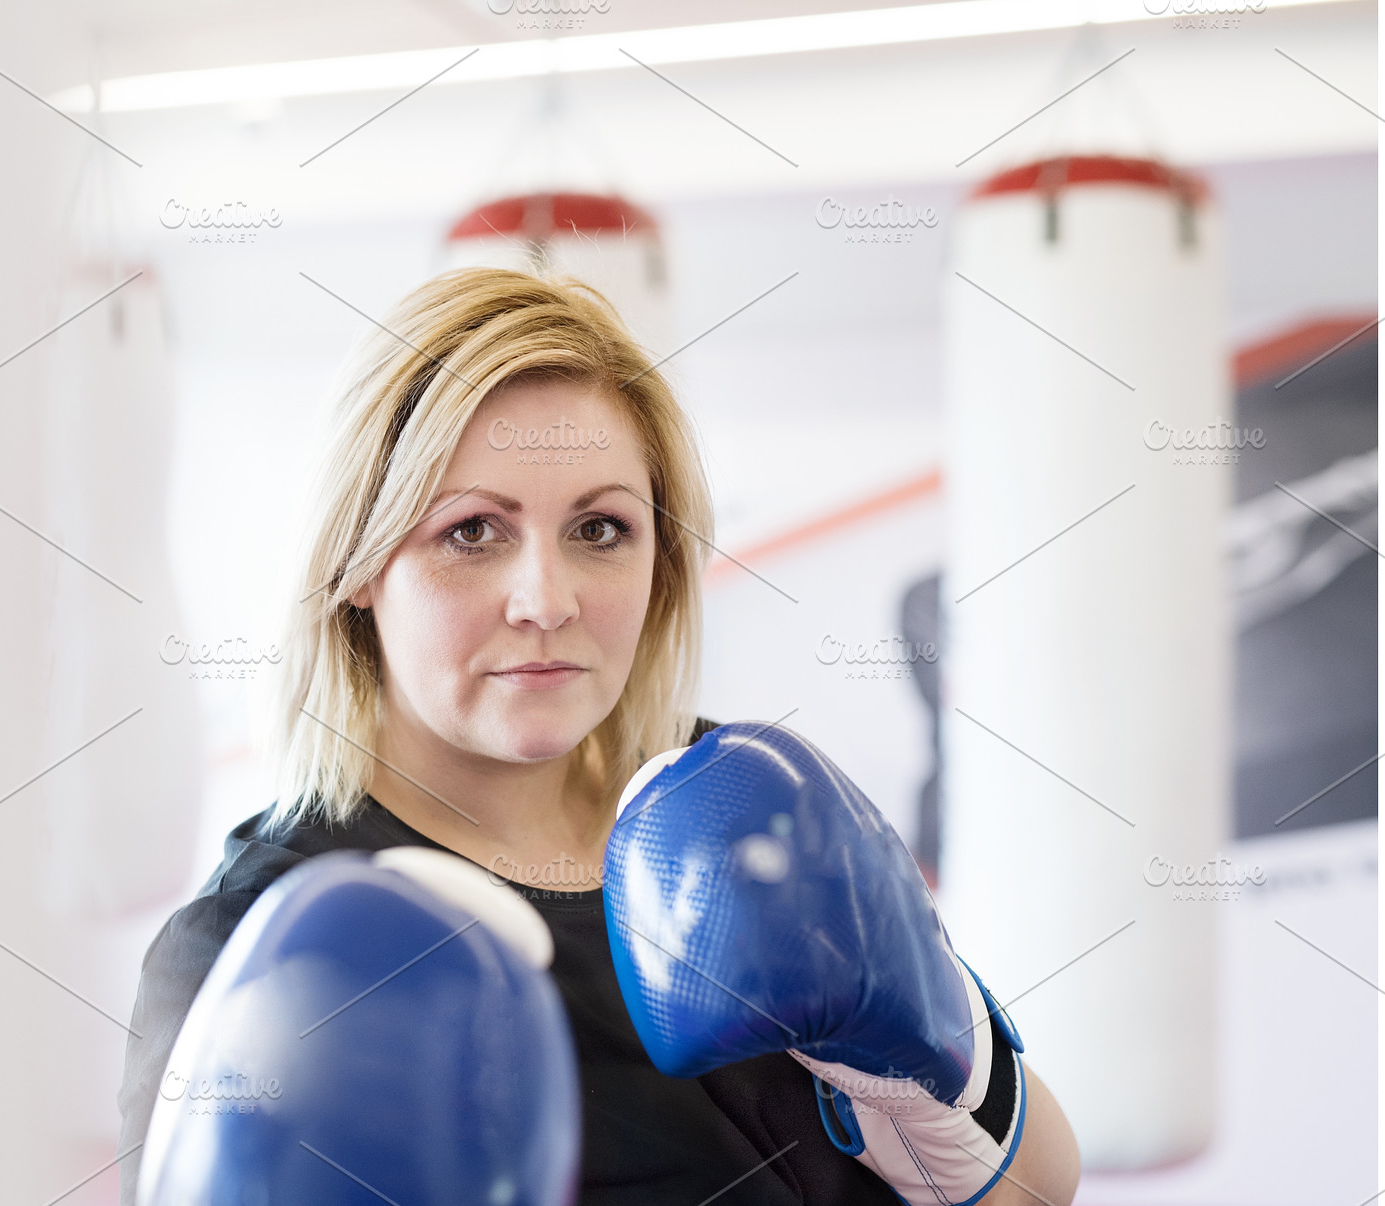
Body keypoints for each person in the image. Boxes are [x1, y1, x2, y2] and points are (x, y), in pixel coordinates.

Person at [116, 267, 1081, 1205]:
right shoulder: (256, 940)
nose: (546, 601)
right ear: (359, 563)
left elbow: (1036, 1189)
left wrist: (921, 1061)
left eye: (599, 530)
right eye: (472, 532)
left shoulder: (747, 806)